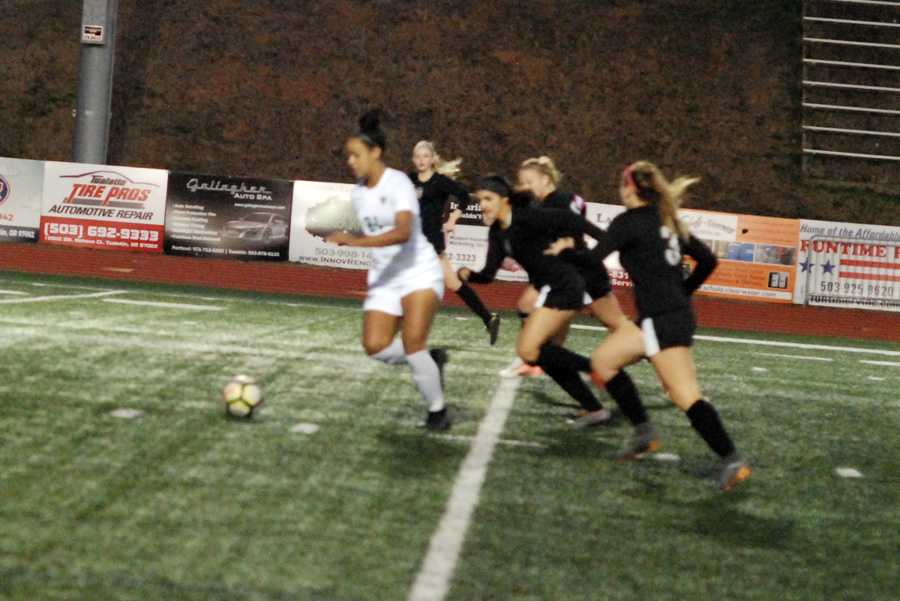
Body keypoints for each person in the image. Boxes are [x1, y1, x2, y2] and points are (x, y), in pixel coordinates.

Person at [551, 160, 751, 491]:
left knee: (685, 395)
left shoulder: (630, 222)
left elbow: (592, 258)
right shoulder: (666, 219)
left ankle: (731, 459)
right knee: (604, 362)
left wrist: (565, 251)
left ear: (629, 187)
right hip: (662, 317)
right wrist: (683, 293)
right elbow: (709, 261)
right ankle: (644, 431)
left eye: (622, 184)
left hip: (662, 320)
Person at [326, 111, 450, 431]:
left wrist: (355, 243)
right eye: (349, 155)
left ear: (375, 152)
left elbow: (403, 232)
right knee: (375, 347)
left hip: (419, 271)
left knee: (412, 342)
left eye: (356, 155)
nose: (351, 161)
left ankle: (438, 410)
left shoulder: (399, 183)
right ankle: (429, 360)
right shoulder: (358, 192)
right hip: (385, 278)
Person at [458, 176, 613, 426]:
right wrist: (469, 274)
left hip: (566, 285)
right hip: (551, 289)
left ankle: (600, 370)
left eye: (488, 199)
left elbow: (570, 219)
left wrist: (606, 239)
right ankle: (595, 407)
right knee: (540, 354)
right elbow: (488, 274)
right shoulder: (497, 233)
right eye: (479, 199)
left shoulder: (525, 217)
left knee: (531, 350)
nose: (482, 204)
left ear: (505, 200)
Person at [409, 141, 501, 345]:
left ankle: (412, 327)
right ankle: (489, 318)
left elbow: (464, 197)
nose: (422, 160)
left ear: (432, 159)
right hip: (413, 241)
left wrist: (452, 219)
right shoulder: (409, 179)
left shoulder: (440, 182)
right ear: (414, 159)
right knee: (451, 283)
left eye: (426, 156)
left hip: (430, 242)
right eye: (418, 156)